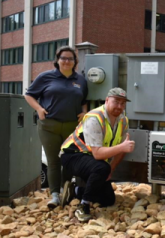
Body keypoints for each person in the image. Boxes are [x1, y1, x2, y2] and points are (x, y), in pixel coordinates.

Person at [25, 46, 88, 208]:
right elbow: (29, 95)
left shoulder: (80, 80)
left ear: (75, 62)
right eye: (63, 58)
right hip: (49, 126)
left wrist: (84, 112)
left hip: (72, 127)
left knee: (67, 160)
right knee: (53, 161)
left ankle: (65, 191)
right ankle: (54, 196)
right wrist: (39, 109)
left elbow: (84, 100)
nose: (66, 61)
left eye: (70, 59)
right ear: (57, 60)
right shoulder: (45, 77)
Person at [60, 87, 135, 222]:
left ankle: (76, 191)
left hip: (92, 160)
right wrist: (121, 148)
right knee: (101, 167)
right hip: (72, 155)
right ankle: (83, 206)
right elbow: (98, 154)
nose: (120, 106)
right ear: (107, 100)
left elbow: (122, 149)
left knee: (108, 199)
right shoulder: (94, 117)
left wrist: (111, 168)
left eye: (123, 103)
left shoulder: (123, 120)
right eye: (116, 101)